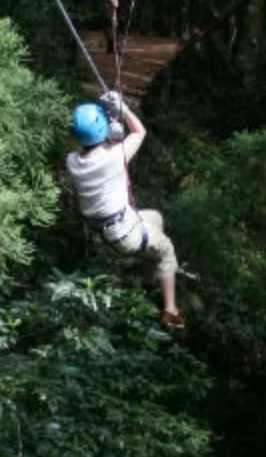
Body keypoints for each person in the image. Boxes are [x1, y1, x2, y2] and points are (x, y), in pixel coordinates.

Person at [66, 91, 184, 329]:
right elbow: (140, 132)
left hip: (106, 230)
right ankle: (170, 311)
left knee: (155, 218)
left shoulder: (72, 161)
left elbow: (95, 150)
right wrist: (123, 110)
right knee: (167, 249)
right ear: (102, 131)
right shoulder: (114, 157)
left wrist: (110, 130)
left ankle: (150, 279)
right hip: (123, 234)